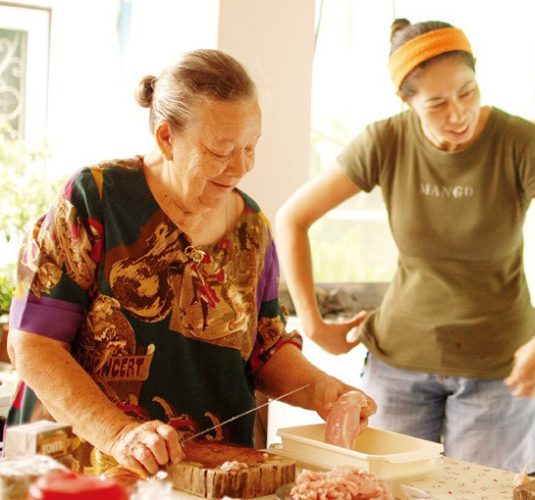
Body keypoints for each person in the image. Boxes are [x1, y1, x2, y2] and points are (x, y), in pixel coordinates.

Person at [6, 49, 376, 475]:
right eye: (220, 151)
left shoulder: (252, 227)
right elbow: (32, 345)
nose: (240, 167)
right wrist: (119, 434)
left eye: (250, 148)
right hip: (89, 470)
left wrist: (322, 390)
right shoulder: (96, 199)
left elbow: (265, 348)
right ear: (167, 138)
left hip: (213, 474)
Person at [275, 19, 535, 473]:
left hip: (498, 369)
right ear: (407, 100)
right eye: (436, 103)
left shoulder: (518, 142)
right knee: (384, 488)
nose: (458, 114)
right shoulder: (385, 140)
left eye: (468, 92)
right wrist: (312, 326)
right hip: (397, 365)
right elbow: (292, 218)